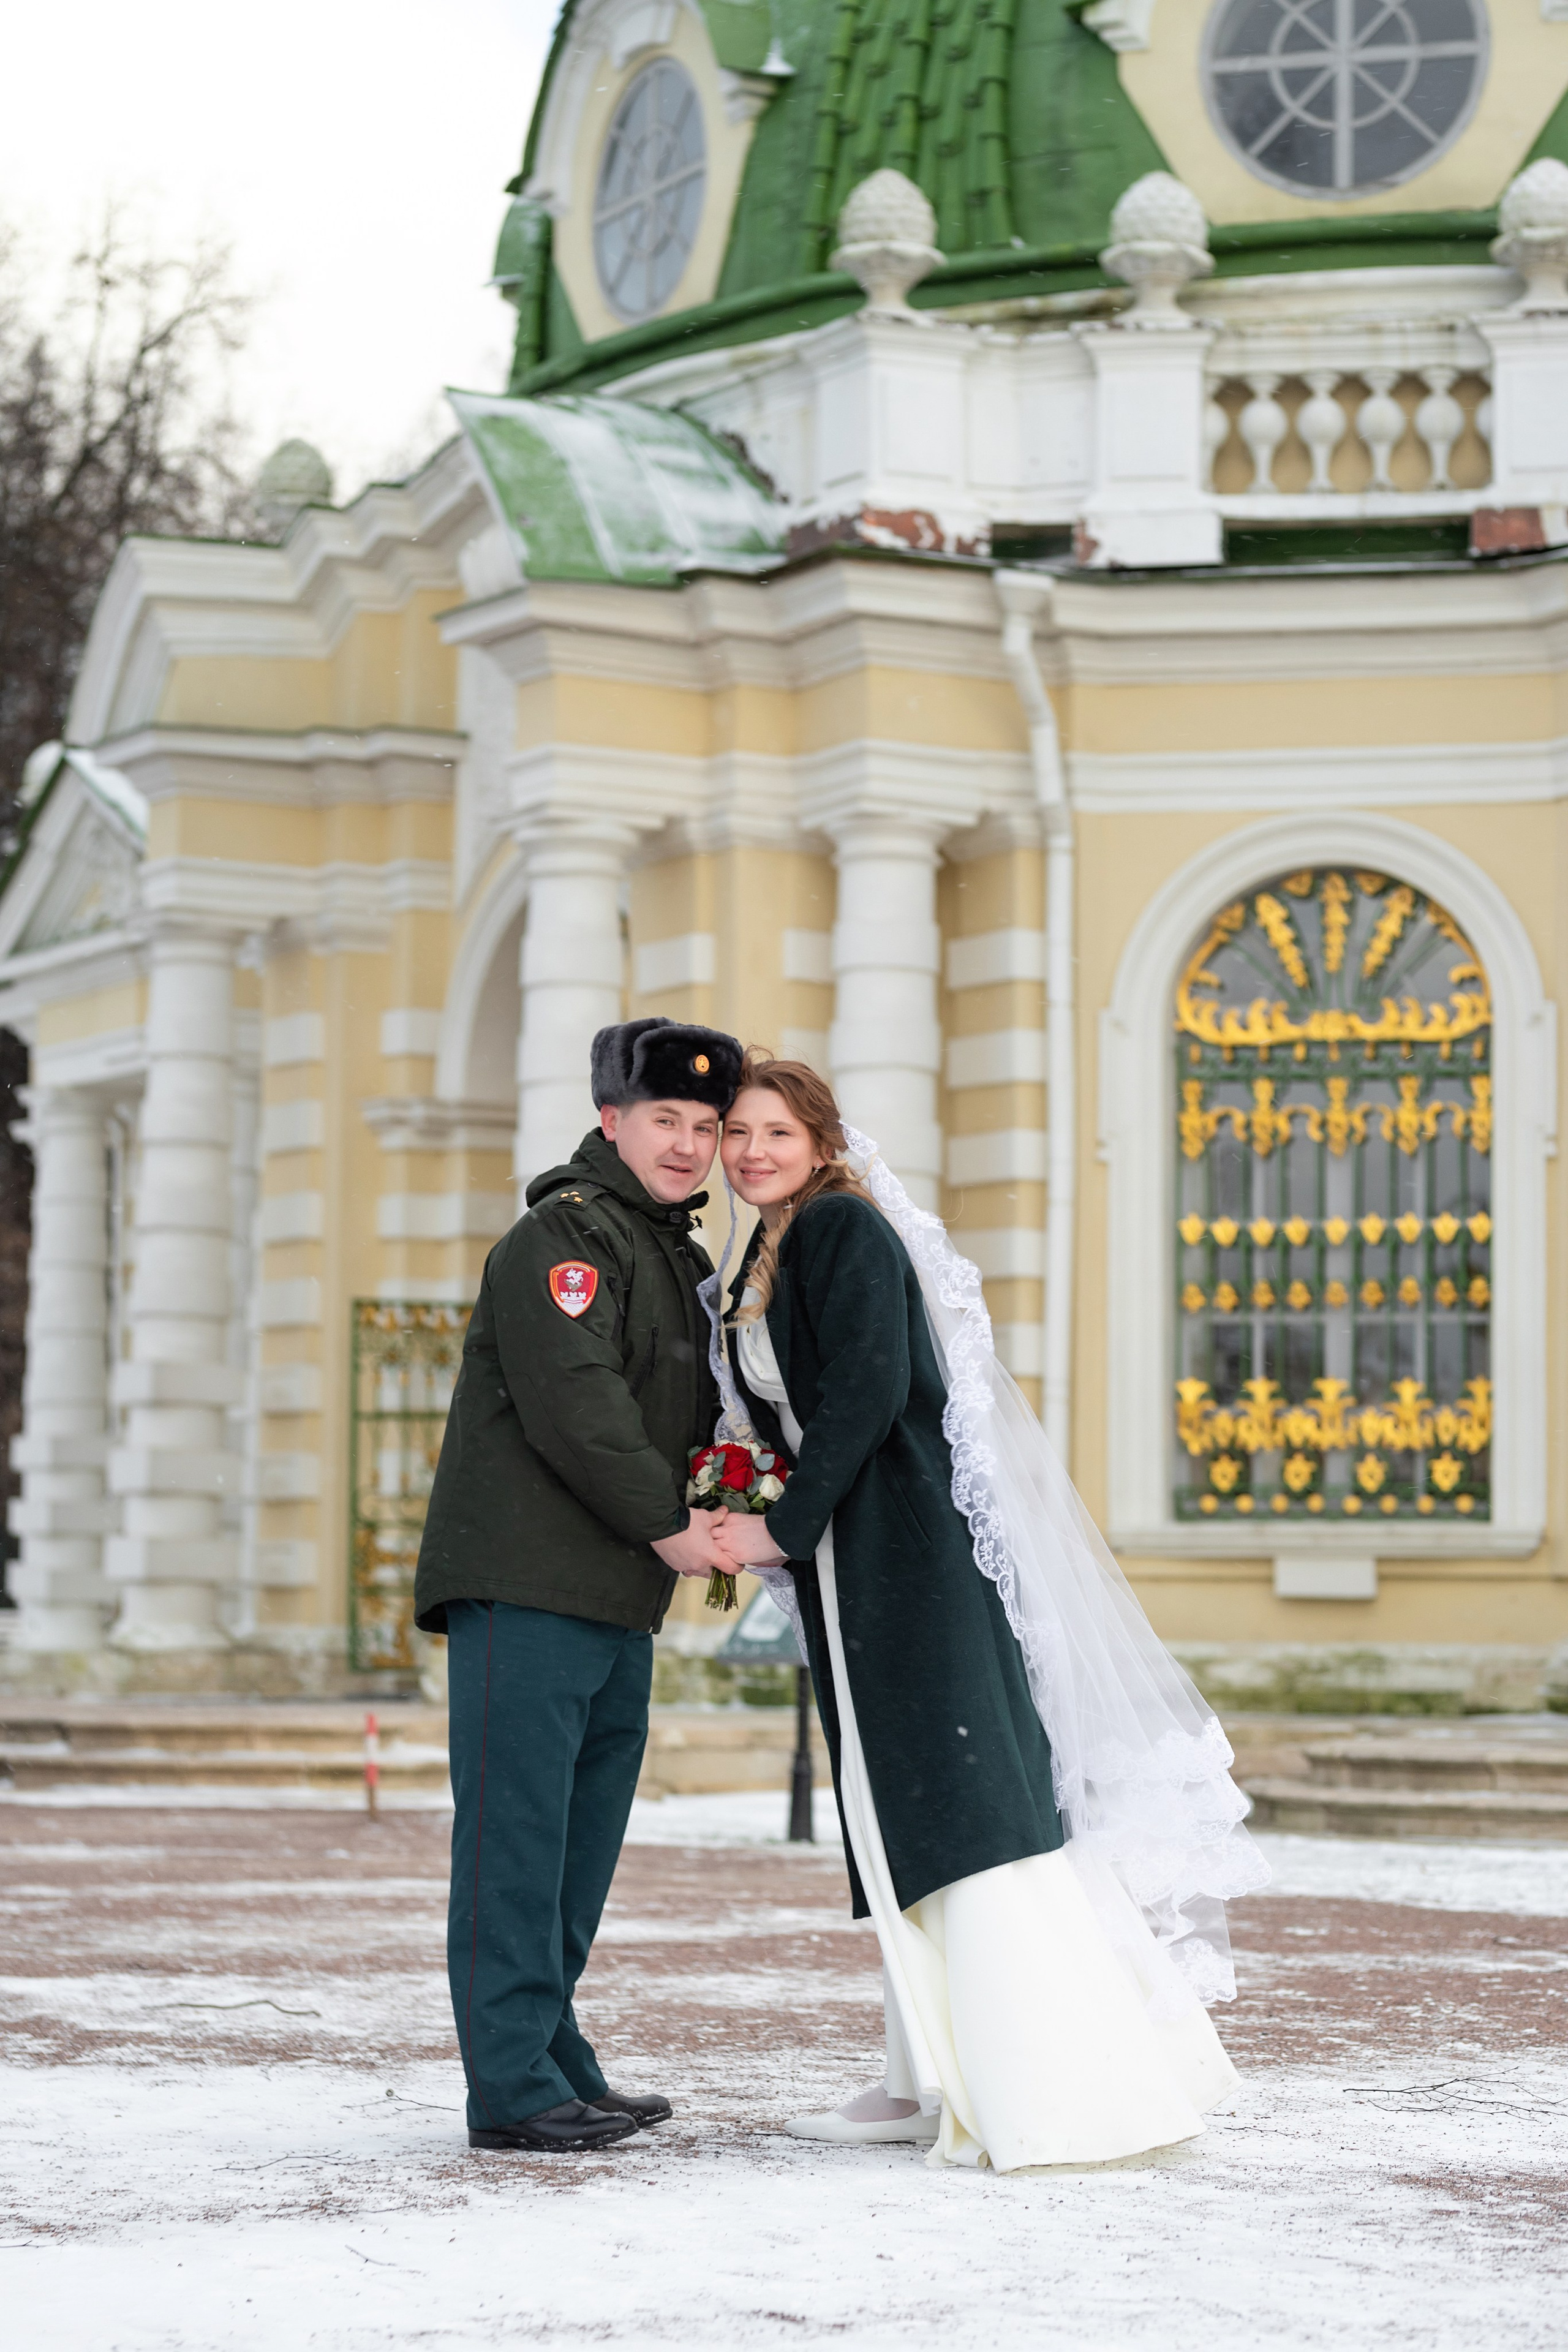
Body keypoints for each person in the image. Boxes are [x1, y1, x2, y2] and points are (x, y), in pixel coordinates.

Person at [709, 1054, 1268, 2172]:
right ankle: (926, 2070)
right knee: (905, 1806)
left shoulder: (840, 1232)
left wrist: (783, 1525)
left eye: (776, 1132)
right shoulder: (761, 1254)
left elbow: (869, 1390)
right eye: (738, 1134)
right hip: (859, 1567)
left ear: (822, 1144)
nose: (751, 1151)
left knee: (957, 1805)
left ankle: (1047, 2084)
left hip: (909, 1563)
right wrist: (742, 1496)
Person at [414, 1016, 744, 2154]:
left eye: (707, 1126)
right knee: (516, 1842)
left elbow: (697, 1413)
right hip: (529, 1586)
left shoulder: (671, 1252)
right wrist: (670, 1524)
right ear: (613, 1119)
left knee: (577, 1845)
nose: (690, 1144)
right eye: (668, 1120)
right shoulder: (563, 1238)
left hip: (612, 1595)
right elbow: (581, 1405)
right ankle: (509, 2087)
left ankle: (553, 2056)